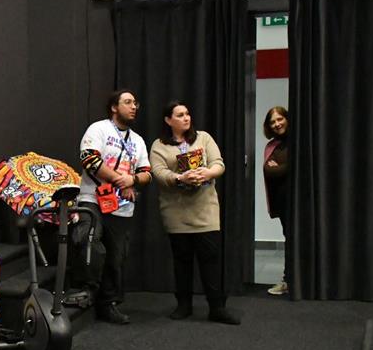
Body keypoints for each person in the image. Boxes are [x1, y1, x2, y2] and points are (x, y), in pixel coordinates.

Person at [149, 101, 240, 325]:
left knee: (211, 260)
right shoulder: (159, 145)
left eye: (187, 114)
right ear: (168, 120)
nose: (186, 118)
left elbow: (219, 163)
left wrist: (207, 173)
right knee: (182, 261)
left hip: (205, 209)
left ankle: (217, 307)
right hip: (176, 211)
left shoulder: (203, 138)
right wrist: (180, 178)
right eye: (180, 115)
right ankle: (184, 305)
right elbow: (158, 172)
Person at [77, 89, 151, 324]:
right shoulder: (99, 129)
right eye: (128, 102)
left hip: (122, 206)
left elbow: (146, 173)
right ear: (114, 107)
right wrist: (121, 180)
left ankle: (108, 304)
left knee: (116, 257)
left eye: (135, 103)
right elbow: (89, 159)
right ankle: (87, 289)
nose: (134, 107)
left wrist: (133, 180)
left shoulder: (138, 140)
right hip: (92, 198)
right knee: (90, 239)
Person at [262, 106, 290, 295]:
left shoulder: (297, 141)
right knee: (289, 240)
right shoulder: (271, 146)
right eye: (272, 122)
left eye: (280, 119)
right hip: (282, 203)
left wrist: (279, 168)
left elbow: (291, 168)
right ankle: (288, 281)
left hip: (298, 203)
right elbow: (268, 171)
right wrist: (281, 169)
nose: (277, 124)